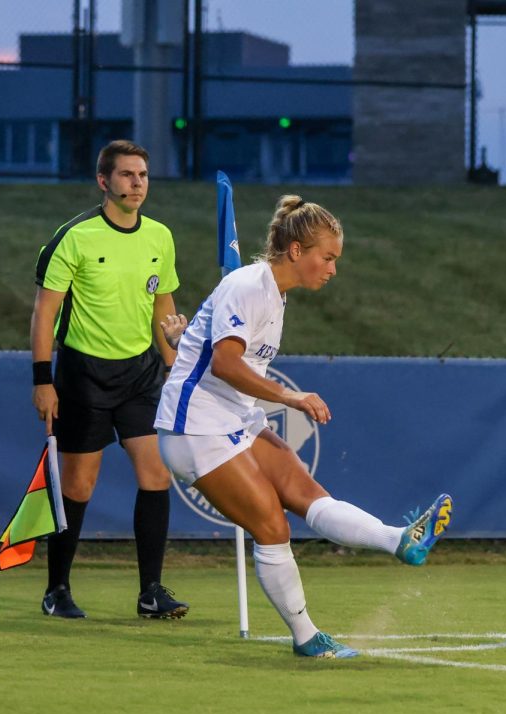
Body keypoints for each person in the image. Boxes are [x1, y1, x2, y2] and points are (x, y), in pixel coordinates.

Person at [153, 195, 453, 659]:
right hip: (196, 429)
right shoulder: (250, 285)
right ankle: (307, 637)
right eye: (327, 257)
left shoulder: (274, 293)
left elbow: (213, 351)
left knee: (309, 495)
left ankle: (400, 541)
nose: (332, 269)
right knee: (273, 528)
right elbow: (227, 364)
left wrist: (183, 339)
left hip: (233, 418)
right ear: (296, 250)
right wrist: (291, 396)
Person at [30, 139, 189, 621]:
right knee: (79, 485)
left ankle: (151, 592)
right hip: (83, 377)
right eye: (126, 175)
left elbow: (163, 308)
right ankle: (57, 589)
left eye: (142, 175)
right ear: (104, 181)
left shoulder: (160, 236)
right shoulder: (73, 237)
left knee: (156, 473)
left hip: (141, 375)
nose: (137, 183)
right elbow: (44, 313)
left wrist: (175, 363)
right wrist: (43, 380)